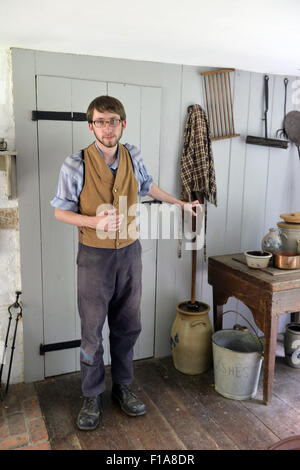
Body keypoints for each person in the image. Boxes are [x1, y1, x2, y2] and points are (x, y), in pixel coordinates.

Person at [51, 95, 201, 431]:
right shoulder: (75, 164)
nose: (107, 127)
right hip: (94, 257)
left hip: (130, 253)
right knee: (92, 331)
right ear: (91, 126)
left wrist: (180, 203)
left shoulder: (133, 154)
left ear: (123, 123)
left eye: (113, 120)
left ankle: (122, 387)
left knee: (127, 326)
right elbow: (60, 212)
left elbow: (148, 187)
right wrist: (95, 223)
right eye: (100, 121)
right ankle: (91, 395)